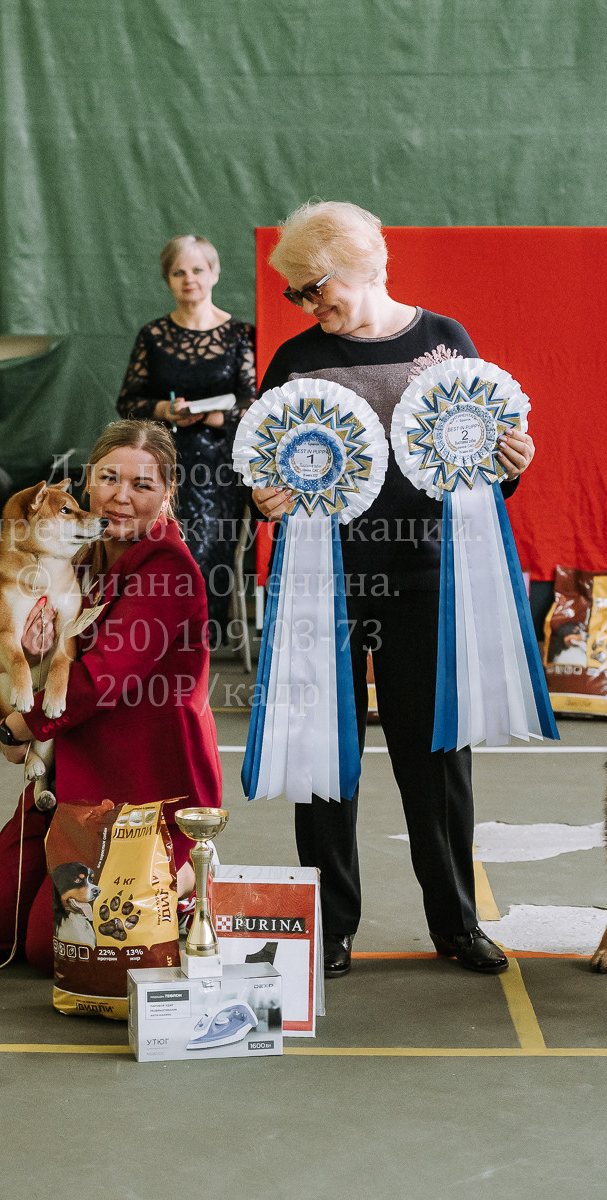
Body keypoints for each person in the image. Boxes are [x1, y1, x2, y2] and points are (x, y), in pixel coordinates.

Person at [253, 201, 535, 978]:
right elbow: (265, 470)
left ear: (362, 267)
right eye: (297, 297)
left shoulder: (446, 341)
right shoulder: (294, 362)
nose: (308, 307)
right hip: (326, 586)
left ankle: (455, 922)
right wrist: (264, 498)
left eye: (314, 289)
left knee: (437, 758)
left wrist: (509, 463)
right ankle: (331, 927)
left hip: (427, 578)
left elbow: (479, 474)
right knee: (324, 760)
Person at [0, 419, 222, 974]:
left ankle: (180, 880)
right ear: (88, 480)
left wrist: (16, 726)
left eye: (143, 485)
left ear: (167, 493)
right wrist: (17, 652)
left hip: (138, 790)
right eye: (108, 478)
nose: (121, 497)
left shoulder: (167, 567)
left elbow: (99, 680)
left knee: (44, 948)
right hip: (68, 783)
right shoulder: (76, 551)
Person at [116, 234, 256, 636]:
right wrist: (166, 410)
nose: (188, 278)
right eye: (178, 272)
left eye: (197, 269)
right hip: (161, 460)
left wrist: (212, 416)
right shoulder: (153, 335)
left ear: (214, 273)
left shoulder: (240, 334)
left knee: (208, 544)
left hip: (220, 463)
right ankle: (151, 634)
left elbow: (255, 403)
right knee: (158, 548)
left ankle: (199, 636)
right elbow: (128, 400)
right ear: (168, 280)